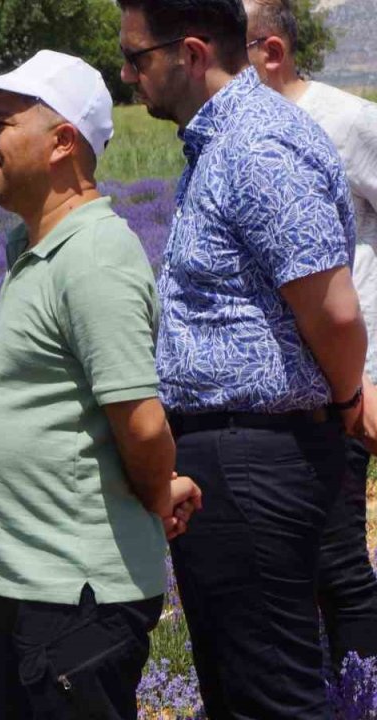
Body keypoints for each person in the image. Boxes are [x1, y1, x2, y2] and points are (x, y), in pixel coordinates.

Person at [117, 0, 367, 716]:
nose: (129, 75)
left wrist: (347, 399)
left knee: (271, 696)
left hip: (255, 455)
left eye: (137, 57)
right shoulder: (223, 141)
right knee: (239, 690)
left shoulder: (255, 144)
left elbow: (336, 312)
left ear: (191, 53)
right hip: (235, 452)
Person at [0, 50, 202, 720]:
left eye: (2, 122)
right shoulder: (37, 250)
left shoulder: (94, 254)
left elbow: (142, 422)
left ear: (62, 142)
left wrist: (158, 489)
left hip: (77, 598)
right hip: (33, 588)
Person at [243, 0, 377, 669]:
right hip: (274, 388)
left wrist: (373, 368)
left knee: (338, 561)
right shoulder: (229, 132)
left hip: (350, 380)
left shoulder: (348, 122)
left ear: (271, 51)